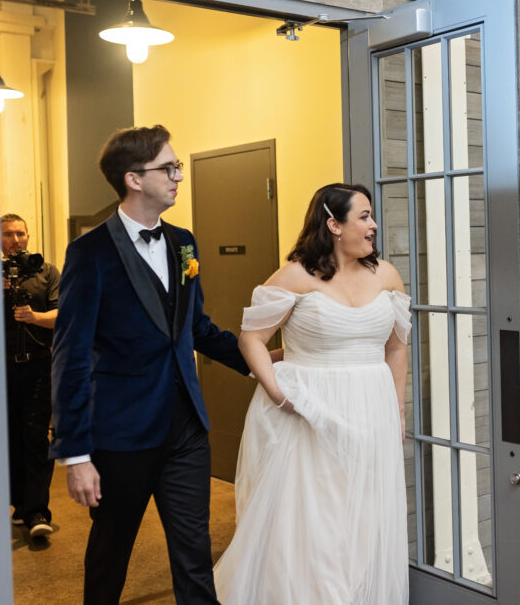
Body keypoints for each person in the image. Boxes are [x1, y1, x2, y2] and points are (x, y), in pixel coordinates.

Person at [50, 125, 251, 605]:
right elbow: (71, 356)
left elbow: (195, 328)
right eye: (170, 167)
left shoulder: (184, 243)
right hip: (121, 434)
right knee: (110, 555)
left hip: (185, 430)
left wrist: (262, 360)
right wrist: (75, 455)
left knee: (194, 554)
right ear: (133, 178)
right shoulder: (90, 253)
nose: (179, 176)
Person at [214, 182, 411, 605]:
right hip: (310, 413)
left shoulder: (387, 275)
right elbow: (252, 340)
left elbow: (396, 347)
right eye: (364, 216)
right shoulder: (295, 277)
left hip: (372, 411)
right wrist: (280, 395)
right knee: (317, 516)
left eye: (371, 216)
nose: (373, 225)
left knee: (364, 514)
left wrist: (397, 409)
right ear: (333, 225)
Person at [1, 213, 59, 540]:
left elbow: (61, 313)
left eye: (20, 233)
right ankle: (20, 504)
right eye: (8, 234)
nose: (16, 240)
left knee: (36, 437)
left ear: (29, 235)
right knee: (9, 437)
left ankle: (38, 510)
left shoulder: (45, 270)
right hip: (1, 368)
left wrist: (34, 317)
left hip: (38, 365)